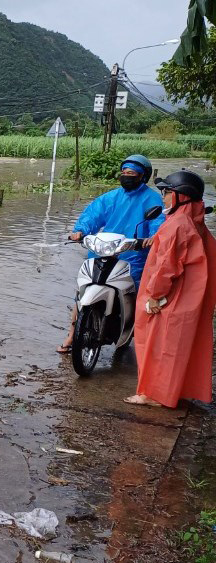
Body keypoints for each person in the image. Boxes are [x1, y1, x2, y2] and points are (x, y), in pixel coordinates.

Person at [58, 155, 164, 353]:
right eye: (123, 173)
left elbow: (158, 222)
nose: (126, 177)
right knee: (82, 290)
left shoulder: (152, 199)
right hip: (105, 251)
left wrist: (153, 236)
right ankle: (72, 335)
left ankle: (137, 333)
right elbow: (93, 214)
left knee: (138, 296)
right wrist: (81, 230)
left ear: (142, 176)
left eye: (131, 174)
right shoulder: (112, 197)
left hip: (134, 255)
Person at [127, 170, 216, 407]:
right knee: (179, 347)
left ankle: (153, 394)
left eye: (167, 192)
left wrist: (155, 295)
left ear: (182, 196)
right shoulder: (196, 222)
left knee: (159, 346)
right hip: (189, 299)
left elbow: (166, 266)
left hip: (171, 298)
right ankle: (176, 390)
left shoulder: (177, 225)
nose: (164, 197)